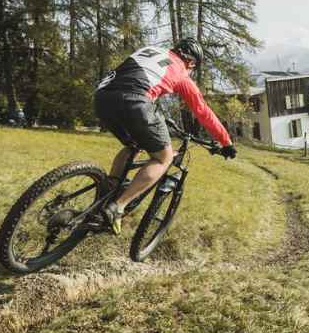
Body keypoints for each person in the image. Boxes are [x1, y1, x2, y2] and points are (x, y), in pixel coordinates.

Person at [94, 38, 236, 234]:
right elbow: (202, 111)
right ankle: (117, 208)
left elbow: (138, 77)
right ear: (192, 63)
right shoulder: (182, 72)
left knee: (134, 144)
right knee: (164, 157)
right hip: (135, 100)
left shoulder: (150, 50)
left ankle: (107, 191)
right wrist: (226, 142)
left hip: (102, 96)